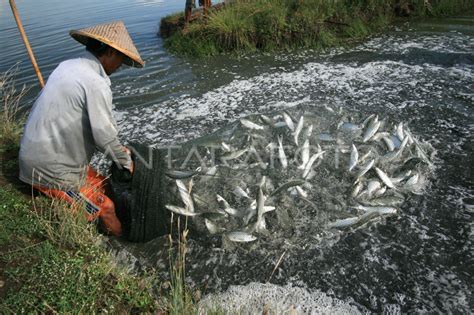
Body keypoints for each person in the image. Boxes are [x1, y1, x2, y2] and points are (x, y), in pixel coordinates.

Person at [19, 21, 144, 237]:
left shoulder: (67, 66)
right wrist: (126, 163)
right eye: (122, 58)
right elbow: (104, 136)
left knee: (104, 184)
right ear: (111, 52)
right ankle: (121, 246)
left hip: (49, 155)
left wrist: (117, 150)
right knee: (106, 207)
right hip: (46, 170)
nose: (121, 64)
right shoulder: (95, 82)